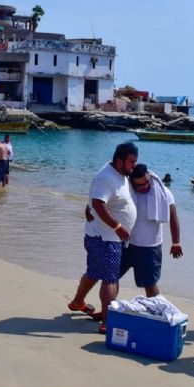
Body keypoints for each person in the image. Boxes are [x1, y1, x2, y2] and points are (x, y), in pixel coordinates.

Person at [67, 142, 138, 333]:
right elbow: (99, 203)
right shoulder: (106, 178)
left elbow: (97, 200)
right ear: (119, 160)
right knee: (110, 279)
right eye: (131, 162)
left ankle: (77, 301)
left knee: (93, 273)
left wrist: (88, 206)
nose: (133, 166)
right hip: (106, 238)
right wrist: (118, 226)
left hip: (101, 235)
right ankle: (107, 322)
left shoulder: (119, 174)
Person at [86, 164, 183, 298]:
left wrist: (176, 243)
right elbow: (103, 199)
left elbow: (173, 217)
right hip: (124, 244)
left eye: (147, 183)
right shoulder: (125, 190)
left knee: (150, 284)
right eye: (139, 185)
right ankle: (109, 311)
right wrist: (89, 207)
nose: (145, 187)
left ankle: (156, 314)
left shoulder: (163, 192)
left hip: (149, 247)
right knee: (111, 278)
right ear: (131, 181)